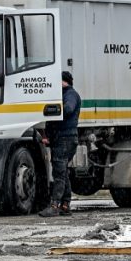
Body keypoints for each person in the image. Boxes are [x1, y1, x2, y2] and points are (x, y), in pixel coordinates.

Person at [39, 71, 82, 217]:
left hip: (65, 138)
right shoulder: (65, 94)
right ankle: (65, 204)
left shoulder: (70, 94)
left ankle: (55, 205)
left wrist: (54, 109)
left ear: (64, 81)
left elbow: (68, 108)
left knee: (59, 172)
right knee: (62, 172)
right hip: (63, 138)